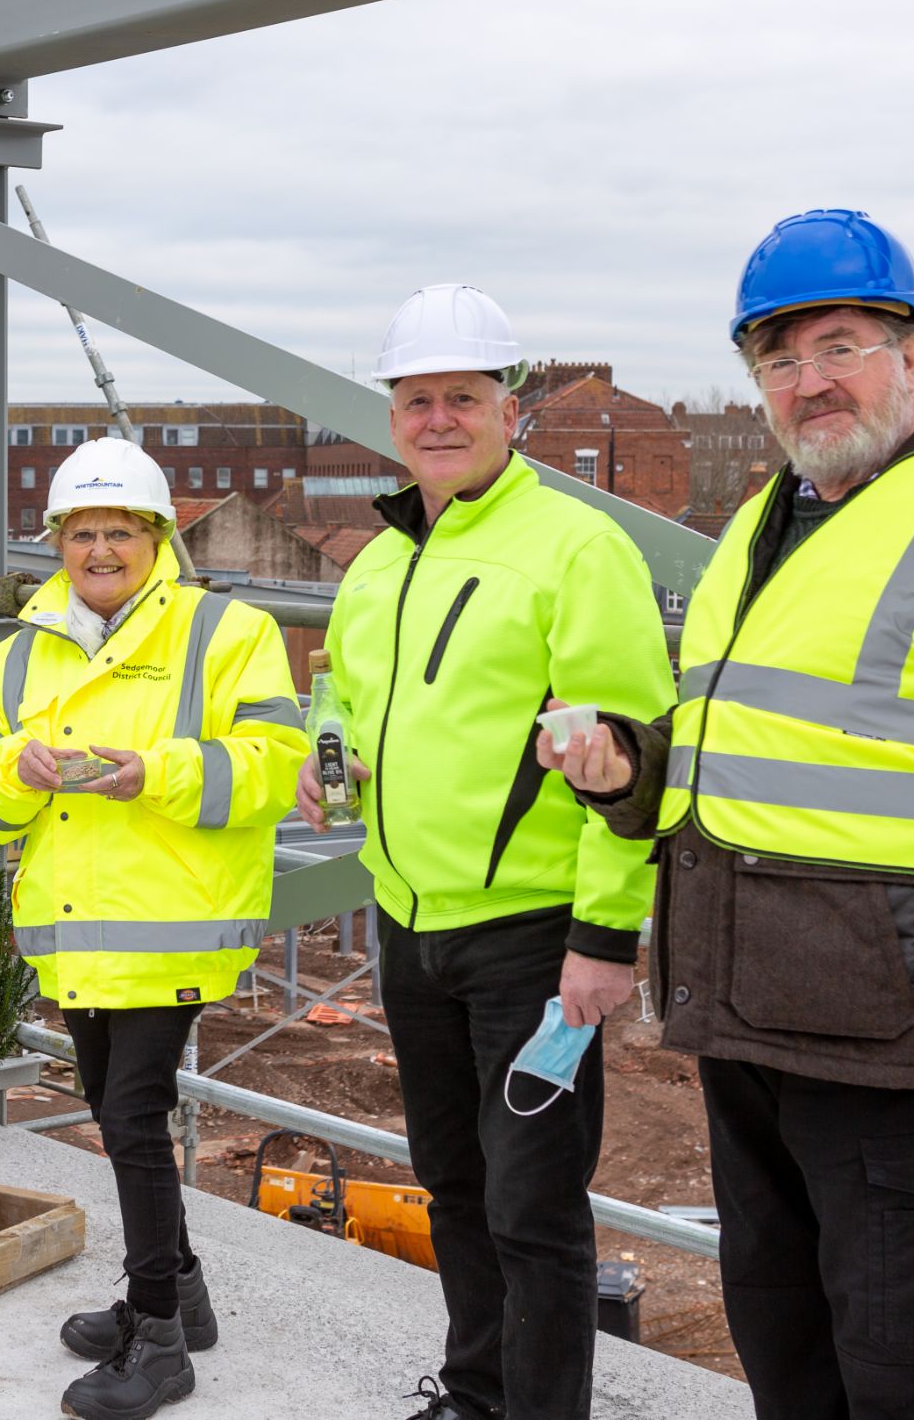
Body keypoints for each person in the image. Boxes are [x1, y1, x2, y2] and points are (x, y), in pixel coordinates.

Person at [539, 209, 914, 1420]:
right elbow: (746, 747)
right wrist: (628, 773)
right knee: (788, 1357)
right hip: (751, 1035)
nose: (811, 382)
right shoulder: (765, 523)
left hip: (904, 1059)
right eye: (780, 359)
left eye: (841, 345)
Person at [298, 285, 675, 1420]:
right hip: (411, 929)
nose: (438, 419)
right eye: (417, 400)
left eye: (463, 396)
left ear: (510, 410)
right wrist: (336, 756)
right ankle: (474, 1394)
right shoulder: (377, 564)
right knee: (453, 1189)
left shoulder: (577, 549)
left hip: (529, 942)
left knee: (535, 1210)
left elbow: (632, 759)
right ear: (393, 416)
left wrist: (604, 940)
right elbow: (354, 705)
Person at [0, 437, 309, 1420]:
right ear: (56, 542)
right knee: (117, 1110)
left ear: (158, 540)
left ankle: (157, 1337)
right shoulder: (25, 648)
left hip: (173, 922)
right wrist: (10, 772)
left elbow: (273, 765)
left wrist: (154, 772)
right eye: (81, 533)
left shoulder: (224, 633)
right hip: (75, 926)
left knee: (134, 1121)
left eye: (119, 532)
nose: (99, 551)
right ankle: (179, 1294)